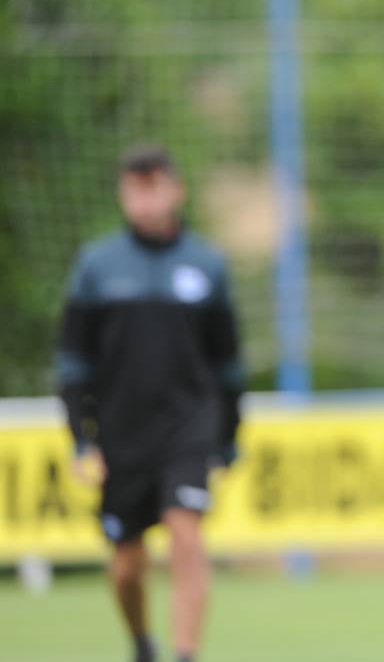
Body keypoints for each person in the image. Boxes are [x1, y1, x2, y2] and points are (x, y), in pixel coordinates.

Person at [55, 145, 244, 662]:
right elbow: (73, 363)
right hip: (121, 432)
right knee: (127, 563)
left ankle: (185, 655)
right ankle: (142, 642)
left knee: (186, 534)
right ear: (123, 194)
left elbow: (227, 364)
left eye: (154, 186)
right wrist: (80, 436)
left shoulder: (207, 264)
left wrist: (228, 435)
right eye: (135, 189)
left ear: (175, 190)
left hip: (188, 426)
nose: (145, 200)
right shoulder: (97, 266)